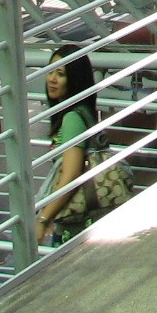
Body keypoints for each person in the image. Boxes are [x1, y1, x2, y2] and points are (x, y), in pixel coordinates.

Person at [36, 45, 96, 245]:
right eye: (50, 71)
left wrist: (43, 219)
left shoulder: (72, 118)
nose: (52, 79)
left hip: (76, 226)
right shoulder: (83, 111)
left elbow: (70, 175)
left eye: (60, 74)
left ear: (75, 79)